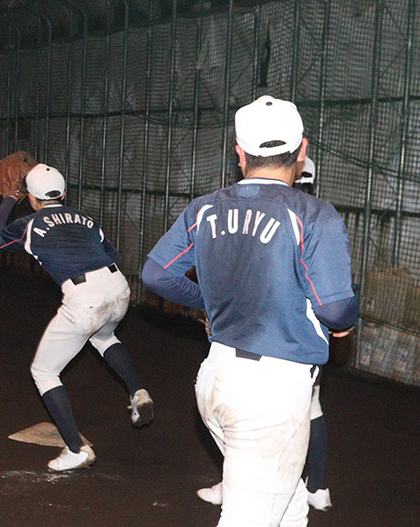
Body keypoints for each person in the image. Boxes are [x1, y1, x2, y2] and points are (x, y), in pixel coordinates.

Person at [143, 96, 357, 526]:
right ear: (302, 151)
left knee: (290, 506)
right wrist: (346, 324)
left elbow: (156, 274)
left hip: (216, 380)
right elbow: (335, 309)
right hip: (272, 394)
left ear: (239, 154)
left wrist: (208, 301)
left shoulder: (205, 207)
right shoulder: (314, 215)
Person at [0, 164, 154, 472]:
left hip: (84, 297)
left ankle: (76, 450)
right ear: (63, 193)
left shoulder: (31, 220)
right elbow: (113, 256)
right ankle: (137, 391)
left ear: (33, 199)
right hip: (118, 287)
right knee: (104, 336)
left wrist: (10, 199)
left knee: (44, 371)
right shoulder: (86, 218)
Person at [195, 155, 333, 512]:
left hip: (286, 345)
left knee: (304, 410)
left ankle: (312, 485)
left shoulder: (306, 216)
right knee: (302, 413)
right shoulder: (299, 213)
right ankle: (308, 489)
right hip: (272, 347)